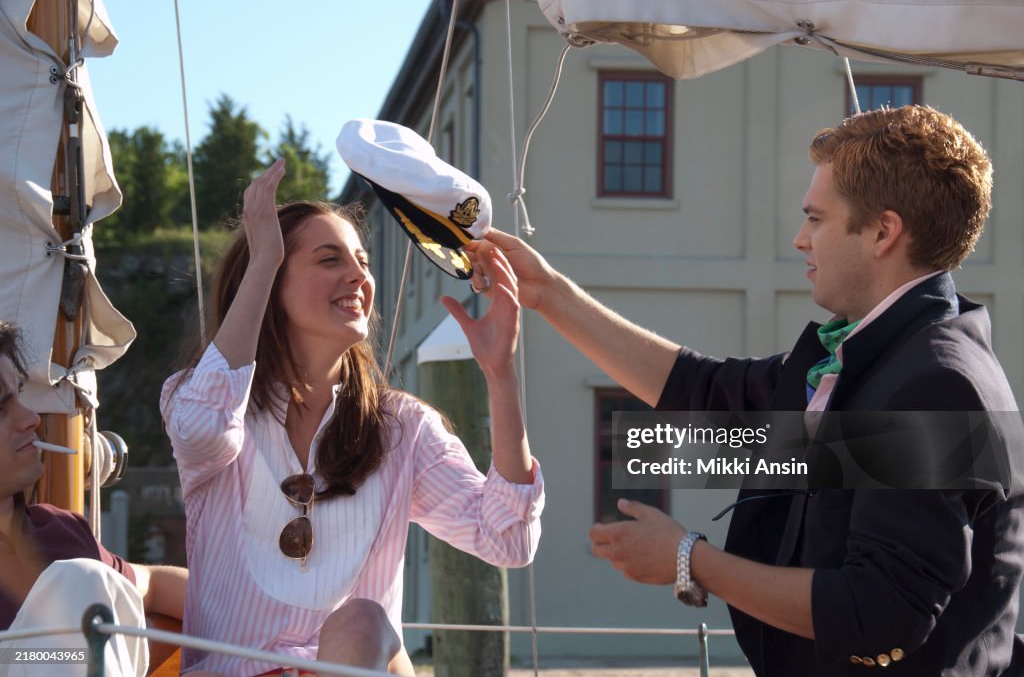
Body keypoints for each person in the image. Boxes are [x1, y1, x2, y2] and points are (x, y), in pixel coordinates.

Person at [469, 105, 1024, 675]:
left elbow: (878, 613)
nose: (800, 239)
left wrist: (691, 559)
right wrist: (548, 293)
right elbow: (700, 389)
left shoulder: (936, 383)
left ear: (884, 232)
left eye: (816, 219)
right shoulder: (874, 356)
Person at [160, 158, 543, 676]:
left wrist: (501, 375)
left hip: (355, 664)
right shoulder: (202, 399)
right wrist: (263, 259)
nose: (359, 275)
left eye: (363, 261)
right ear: (270, 283)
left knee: (361, 621)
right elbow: (202, 427)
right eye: (329, 260)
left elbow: (508, 540)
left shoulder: (404, 428)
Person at [0, 320, 187, 677]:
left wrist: (277, 623)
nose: (31, 418)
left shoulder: (60, 532)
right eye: (1, 409)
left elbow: (153, 586)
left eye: (21, 396)